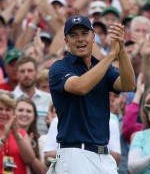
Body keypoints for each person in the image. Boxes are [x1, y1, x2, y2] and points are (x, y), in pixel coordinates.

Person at [48, 15, 135, 173]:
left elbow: (128, 85)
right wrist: (110, 55)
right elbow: (81, 86)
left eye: (84, 33)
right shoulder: (59, 67)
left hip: (104, 155)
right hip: (75, 153)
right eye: (73, 35)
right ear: (66, 41)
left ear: (93, 37)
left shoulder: (101, 67)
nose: (80, 39)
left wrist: (121, 51)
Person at [0, 90, 44, 174]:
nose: (4, 113)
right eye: (0, 109)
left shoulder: (21, 134)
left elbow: (29, 159)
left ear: (13, 112)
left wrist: (17, 135)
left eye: (8, 110)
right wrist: (3, 138)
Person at [15, 97, 47, 173]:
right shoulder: (5, 137)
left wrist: (28, 149)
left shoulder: (40, 140)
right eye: (20, 110)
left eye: (29, 111)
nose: (24, 114)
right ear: (13, 113)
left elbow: (44, 172)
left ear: (34, 117)